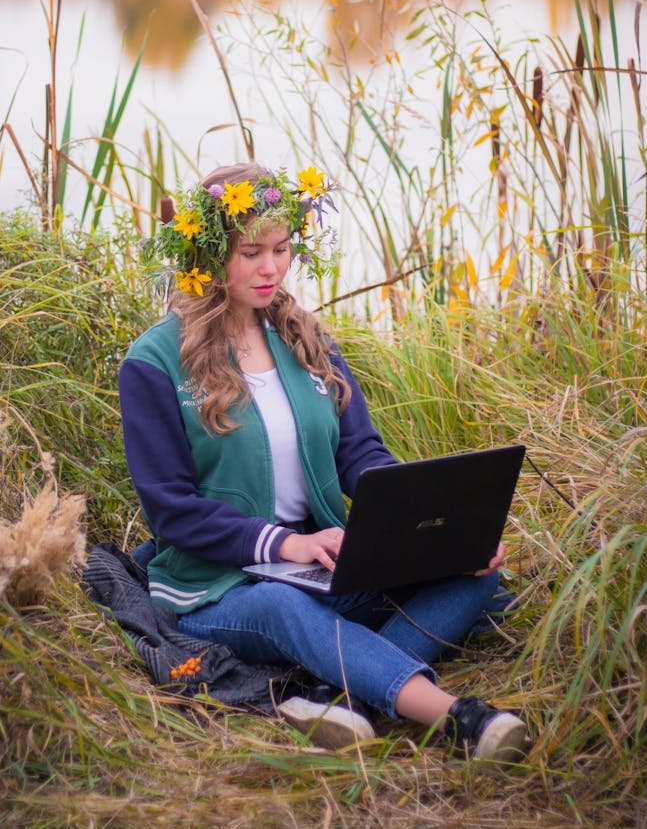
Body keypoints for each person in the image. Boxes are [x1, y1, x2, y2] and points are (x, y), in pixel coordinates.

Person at [118, 162, 530, 760]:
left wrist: (438, 532)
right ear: (207, 254)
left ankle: (343, 699)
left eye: (281, 250)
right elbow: (171, 510)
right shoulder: (153, 362)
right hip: (216, 586)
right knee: (283, 606)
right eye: (250, 251)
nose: (270, 268)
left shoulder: (306, 338)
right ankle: (459, 719)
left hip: (322, 559)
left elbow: (360, 454)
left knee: (475, 574)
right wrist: (284, 546)